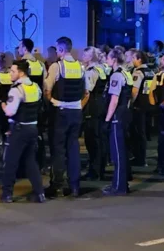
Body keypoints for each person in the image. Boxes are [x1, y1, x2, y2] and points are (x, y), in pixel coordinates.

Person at [44, 37, 87, 198]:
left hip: (60, 112)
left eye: (57, 49)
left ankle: (57, 186)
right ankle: (74, 186)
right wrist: (78, 105)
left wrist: (52, 102)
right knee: (73, 149)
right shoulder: (80, 67)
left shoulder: (57, 66)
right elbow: (86, 92)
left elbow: (47, 89)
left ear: (61, 50)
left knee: (58, 150)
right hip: (76, 112)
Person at [0, 60, 45, 203]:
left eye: (13, 71)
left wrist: (2, 104)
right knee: (31, 162)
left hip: (19, 130)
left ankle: (7, 194)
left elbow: (10, 111)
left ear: (21, 73)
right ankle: (40, 193)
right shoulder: (35, 87)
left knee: (11, 162)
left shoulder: (17, 89)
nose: (10, 74)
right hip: (32, 128)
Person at [102, 48, 134, 196]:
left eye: (108, 58)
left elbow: (114, 100)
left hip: (117, 116)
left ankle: (119, 187)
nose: (106, 60)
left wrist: (107, 119)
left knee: (117, 153)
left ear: (114, 60)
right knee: (123, 151)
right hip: (125, 114)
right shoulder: (126, 73)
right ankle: (121, 183)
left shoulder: (116, 75)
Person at [17, 39, 48, 168]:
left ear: (25, 48)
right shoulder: (41, 64)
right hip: (38, 104)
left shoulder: (21, 64)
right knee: (38, 133)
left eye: (19, 47)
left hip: (24, 105)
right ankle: (40, 162)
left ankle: (24, 165)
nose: (18, 49)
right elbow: (45, 86)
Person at [81, 47, 107, 181]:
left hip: (92, 108)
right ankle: (100, 169)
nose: (82, 57)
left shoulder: (90, 72)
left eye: (85, 55)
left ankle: (94, 171)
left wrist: (79, 107)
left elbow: (87, 93)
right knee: (100, 139)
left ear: (90, 57)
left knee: (91, 140)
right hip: (101, 105)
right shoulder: (101, 69)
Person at [130, 50, 154, 168]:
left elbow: (134, 91)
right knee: (144, 132)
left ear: (139, 59)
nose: (132, 60)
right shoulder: (150, 72)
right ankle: (142, 157)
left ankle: (139, 158)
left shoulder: (138, 73)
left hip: (138, 106)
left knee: (138, 133)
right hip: (148, 105)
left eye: (133, 58)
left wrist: (130, 103)